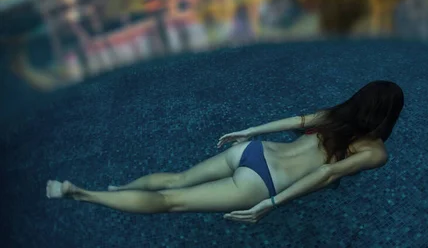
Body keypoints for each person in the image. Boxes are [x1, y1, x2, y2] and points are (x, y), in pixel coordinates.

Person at [46, 80, 404, 224]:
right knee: (172, 201)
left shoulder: (337, 115)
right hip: (261, 183)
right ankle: (83, 194)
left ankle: (117, 190)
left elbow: (297, 119)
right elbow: (326, 174)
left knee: (177, 179)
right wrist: (270, 204)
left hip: (254, 151)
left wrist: (250, 130)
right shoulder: (376, 153)